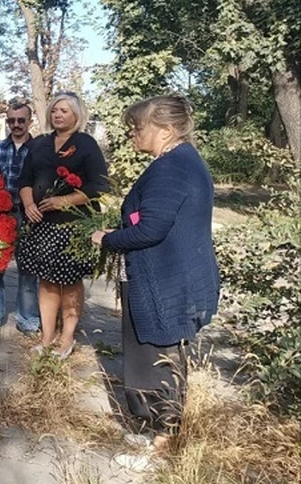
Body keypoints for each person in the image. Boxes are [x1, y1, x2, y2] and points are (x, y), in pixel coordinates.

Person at [91, 95, 219, 451]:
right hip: (171, 276)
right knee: (163, 357)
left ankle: (161, 441)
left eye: (138, 127)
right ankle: (160, 433)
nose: (133, 134)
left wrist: (107, 238)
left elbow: (151, 230)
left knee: (154, 359)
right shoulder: (183, 160)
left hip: (164, 283)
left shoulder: (171, 168)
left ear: (165, 129)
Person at [16, 92, 108, 358]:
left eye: (64, 110)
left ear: (76, 115)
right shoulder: (40, 144)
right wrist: (29, 204)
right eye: (55, 110)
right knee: (46, 281)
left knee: (69, 282)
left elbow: (97, 186)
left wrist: (64, 201)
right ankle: (46, 337)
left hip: (72, 226)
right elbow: (25, 180)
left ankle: (66, 339)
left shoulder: (86, 144)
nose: (57, 114)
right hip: (41, 225)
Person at [0, 101, 39, 336]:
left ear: (29, 121)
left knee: (28, 269)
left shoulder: (40, 149)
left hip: (28, 215)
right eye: (11, 120)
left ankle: (28, 320)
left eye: (21, 120)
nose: (16, 125)